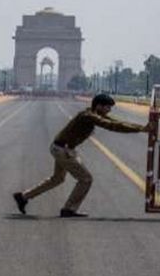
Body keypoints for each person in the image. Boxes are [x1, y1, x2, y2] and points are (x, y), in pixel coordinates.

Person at [13, 93, 151, 217]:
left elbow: (116, 122)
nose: (109, 110)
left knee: (57, 179)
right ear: (99, 106)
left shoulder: (91, 114)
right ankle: (69, 209)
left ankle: (23, 197)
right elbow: (111, 126)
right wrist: (142, 129)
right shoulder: (88, 116)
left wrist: (141, 127)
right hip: (63, 150)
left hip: (61, 148)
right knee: (86, 179)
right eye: (107, 107)